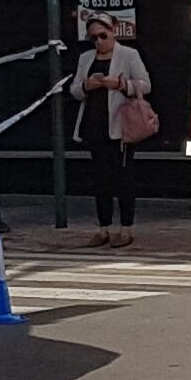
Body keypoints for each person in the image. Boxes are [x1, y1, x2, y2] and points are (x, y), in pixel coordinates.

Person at [69, 17, 152, 243]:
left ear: (113, 32)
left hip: (121, 127)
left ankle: (126, 228)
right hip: (95, 126)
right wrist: (87, 85)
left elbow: (145, 84)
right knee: (100, 180)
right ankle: (103, 227)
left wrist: (121, 84)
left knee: (124, 178)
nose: (99, 42)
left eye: (103, 36)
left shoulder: (128, 55)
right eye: (94, 38)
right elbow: (75, 89)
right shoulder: (86, 58)